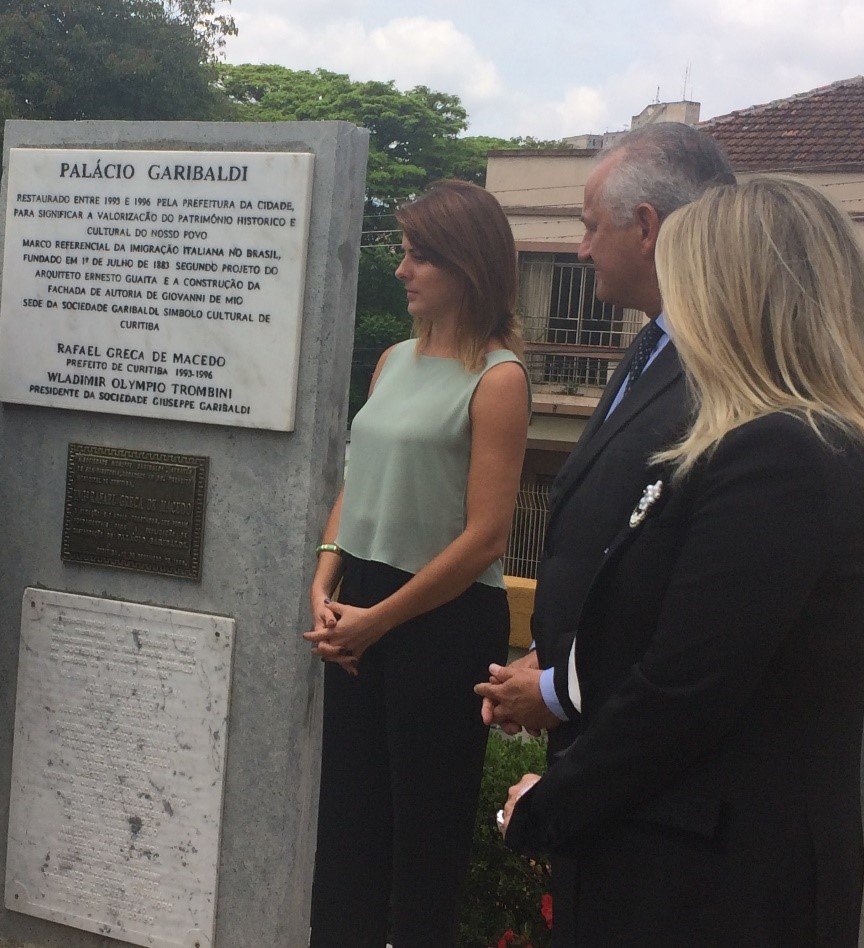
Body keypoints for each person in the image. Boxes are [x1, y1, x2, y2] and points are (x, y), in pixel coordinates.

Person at [500, 177, 864, 946]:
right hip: (682, 863)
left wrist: (551, 803)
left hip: (708, 885)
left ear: (733, 296)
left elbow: (684, 687)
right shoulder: (765, 442)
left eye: (686, 284)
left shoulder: (784, 455)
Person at [303, 179, 529, 947]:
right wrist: (324, 580)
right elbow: (358, 480)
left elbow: (485, 538)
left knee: (425, 839)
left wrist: (377, 621)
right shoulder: (393, 360)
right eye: (404, 253)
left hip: (442, 621)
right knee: (349, 827)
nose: (402, 270)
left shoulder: (498, 379)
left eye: (419, 256)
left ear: (468, 265)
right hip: (360, 602)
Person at [475, 123, 734, 759]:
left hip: (644, 756)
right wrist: (551, 654)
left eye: (591, 227)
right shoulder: (652, 344)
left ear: (645, 228)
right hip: (595, 727)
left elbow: (679, 601)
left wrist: (560, 689)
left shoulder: (723, 374)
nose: (582, 249)